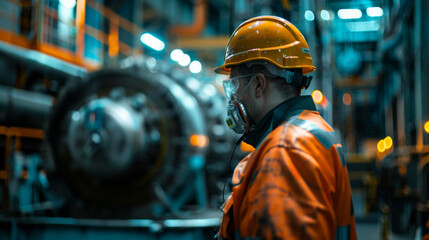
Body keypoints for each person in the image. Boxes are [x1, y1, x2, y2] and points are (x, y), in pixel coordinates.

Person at [214, 16, 357, 240]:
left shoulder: (285, 151)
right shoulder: (311, 130)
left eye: (234, 85)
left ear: (259, 84)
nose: (232, 98)